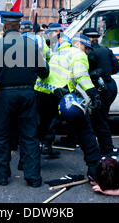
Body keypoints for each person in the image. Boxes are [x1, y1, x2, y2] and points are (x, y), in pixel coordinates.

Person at [0, 11, 49, 187]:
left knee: (1, 136)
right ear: (19, 26)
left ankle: (1, 176)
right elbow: (45, 72)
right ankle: (33, 177)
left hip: (4, 95)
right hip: (27, 94)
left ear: (4, 26)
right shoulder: (31, 45)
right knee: (29, 136)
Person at [34, 33, 102, 179]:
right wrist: (93, 94)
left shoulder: (57, 51)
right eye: (86, 48)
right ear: (79, 44)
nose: (87, 51)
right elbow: (81, 75)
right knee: (84, 129)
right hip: (62, 94)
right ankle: (94, 166)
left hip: (42, 92)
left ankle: (27, 163)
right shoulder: (78, 54)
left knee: (39, 129)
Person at [83, 27, 119, 155]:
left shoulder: (89, 53)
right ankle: (104, 147)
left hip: (100, 87)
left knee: (100, 120)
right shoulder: (106, 50)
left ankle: (107, 149)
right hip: (111, 86)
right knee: (101, 117)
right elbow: (116, 68)